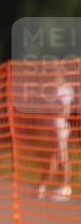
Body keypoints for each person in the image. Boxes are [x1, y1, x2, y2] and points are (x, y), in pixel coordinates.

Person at [38, 69, 74, 201]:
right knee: (52, 157)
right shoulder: (53, 89)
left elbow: (65, 110)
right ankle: (42, 186)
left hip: (59, 126)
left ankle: (65, 187)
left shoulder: (64, 90)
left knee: (62, 156)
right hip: (53, 126)